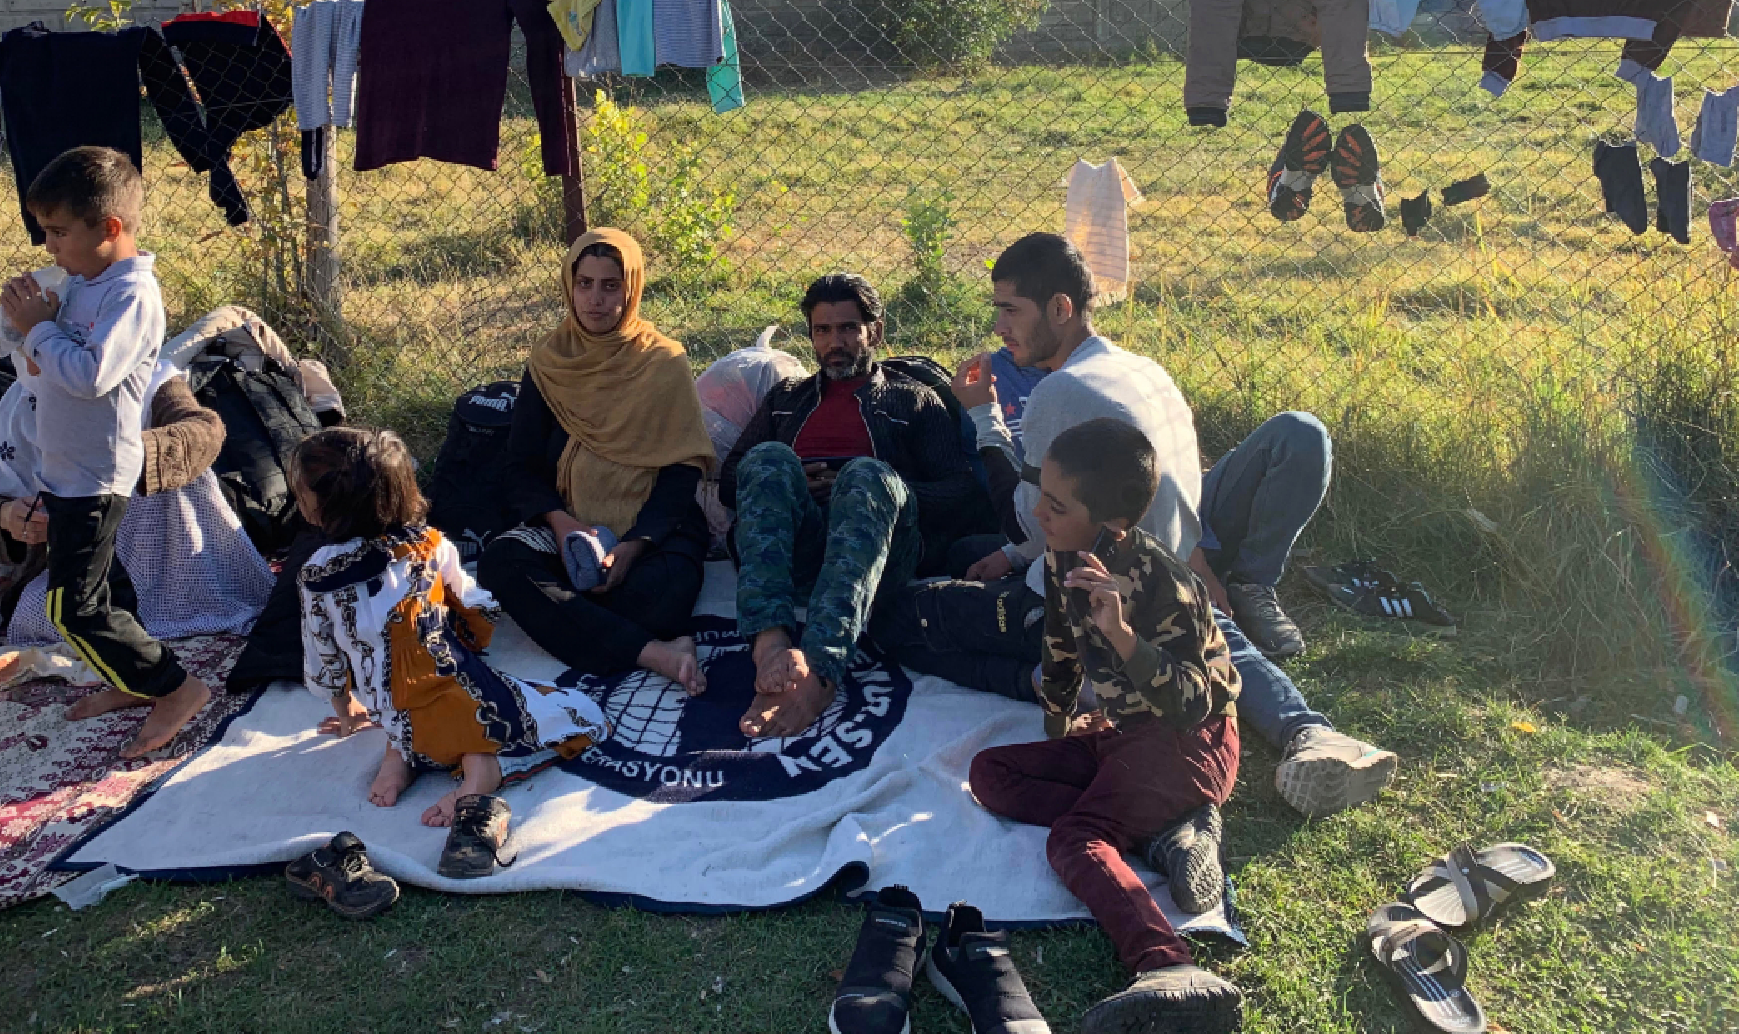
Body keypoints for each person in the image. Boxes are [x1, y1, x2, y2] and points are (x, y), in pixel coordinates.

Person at [952, 233, 1398, 818]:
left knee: (1189, 628)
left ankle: (1308, 732)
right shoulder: (1138, 365)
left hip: (1136, 560)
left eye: (1011, 310)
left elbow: (1035, 525)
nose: (1001, 328)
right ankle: (1254, 616)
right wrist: (1197, 557)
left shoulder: (1058, 392)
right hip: (1182, 533)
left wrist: (984, 416)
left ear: (1061, 308)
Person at [969, 419, 1243, 1034]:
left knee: (1074, 839)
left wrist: (1122, 635)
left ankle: (1168, 964)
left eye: (1056, 504)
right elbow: (1060, 649)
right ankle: (1163, 835)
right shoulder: (1069, 556)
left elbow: (1193, 706)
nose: (1037, 511)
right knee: (992, 772)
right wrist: (1059, 724)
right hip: (1125, 735)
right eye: (1042, 493)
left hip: (1188, 740)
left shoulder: (1165, 583)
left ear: (1110, 524)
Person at [293, 427, 607, 879]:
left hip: (388, 704)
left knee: (400, 706)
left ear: (323, 504)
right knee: (574, 712)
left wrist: (347, 711)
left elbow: (323, 656)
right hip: (449, 687)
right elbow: (478, 604)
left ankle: (399, 753)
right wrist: (470, 642)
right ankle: (479, 776)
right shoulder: (430, 544)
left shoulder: (317, 573)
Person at [0, 145, 212, 759]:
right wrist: (28, 326)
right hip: (65, 468)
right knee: (108, 589)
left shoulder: (133, 298)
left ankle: (175, 687)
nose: (49, 247)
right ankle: (133, 677)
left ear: (110, 228)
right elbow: (50, 374)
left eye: (59, 232)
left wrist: (41, 327)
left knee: (73, 608)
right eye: (46, 232)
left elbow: (91, 375)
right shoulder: (85, 285)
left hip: (96, 475)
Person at [720, 272, 985, 739]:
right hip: (800, 550)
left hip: (877, 554)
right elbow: (729, 481)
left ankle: (820, 670)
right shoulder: (785, 400)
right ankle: (770, 642)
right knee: (766, 460)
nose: (834, 342)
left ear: (874, 331)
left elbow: (961, 491)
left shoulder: (914, 400)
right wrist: (795, 481)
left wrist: (858, 482)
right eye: (822, 331)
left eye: (847, 328)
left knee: (865, 475)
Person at [478, 229, 720, 695]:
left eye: (611, 285)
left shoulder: (663, 362)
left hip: (651, 534)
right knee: (501, 564)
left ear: (632, 289)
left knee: (658, 595)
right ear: (569, 286)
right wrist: (563, 524)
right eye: (584, 283)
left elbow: (680, 474)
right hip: (567, 529)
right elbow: (520, 465)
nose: (595, 299)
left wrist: (633, 546)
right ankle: (658, 652)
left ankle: (589, 627)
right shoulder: (549, 363)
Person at [0, 361, 273, 645]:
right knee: (52, 619)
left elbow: (202, 430)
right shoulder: (22, 403)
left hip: (173, 552)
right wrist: (10, 515)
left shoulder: (150, 377)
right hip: (85, 556)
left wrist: (122, 460)